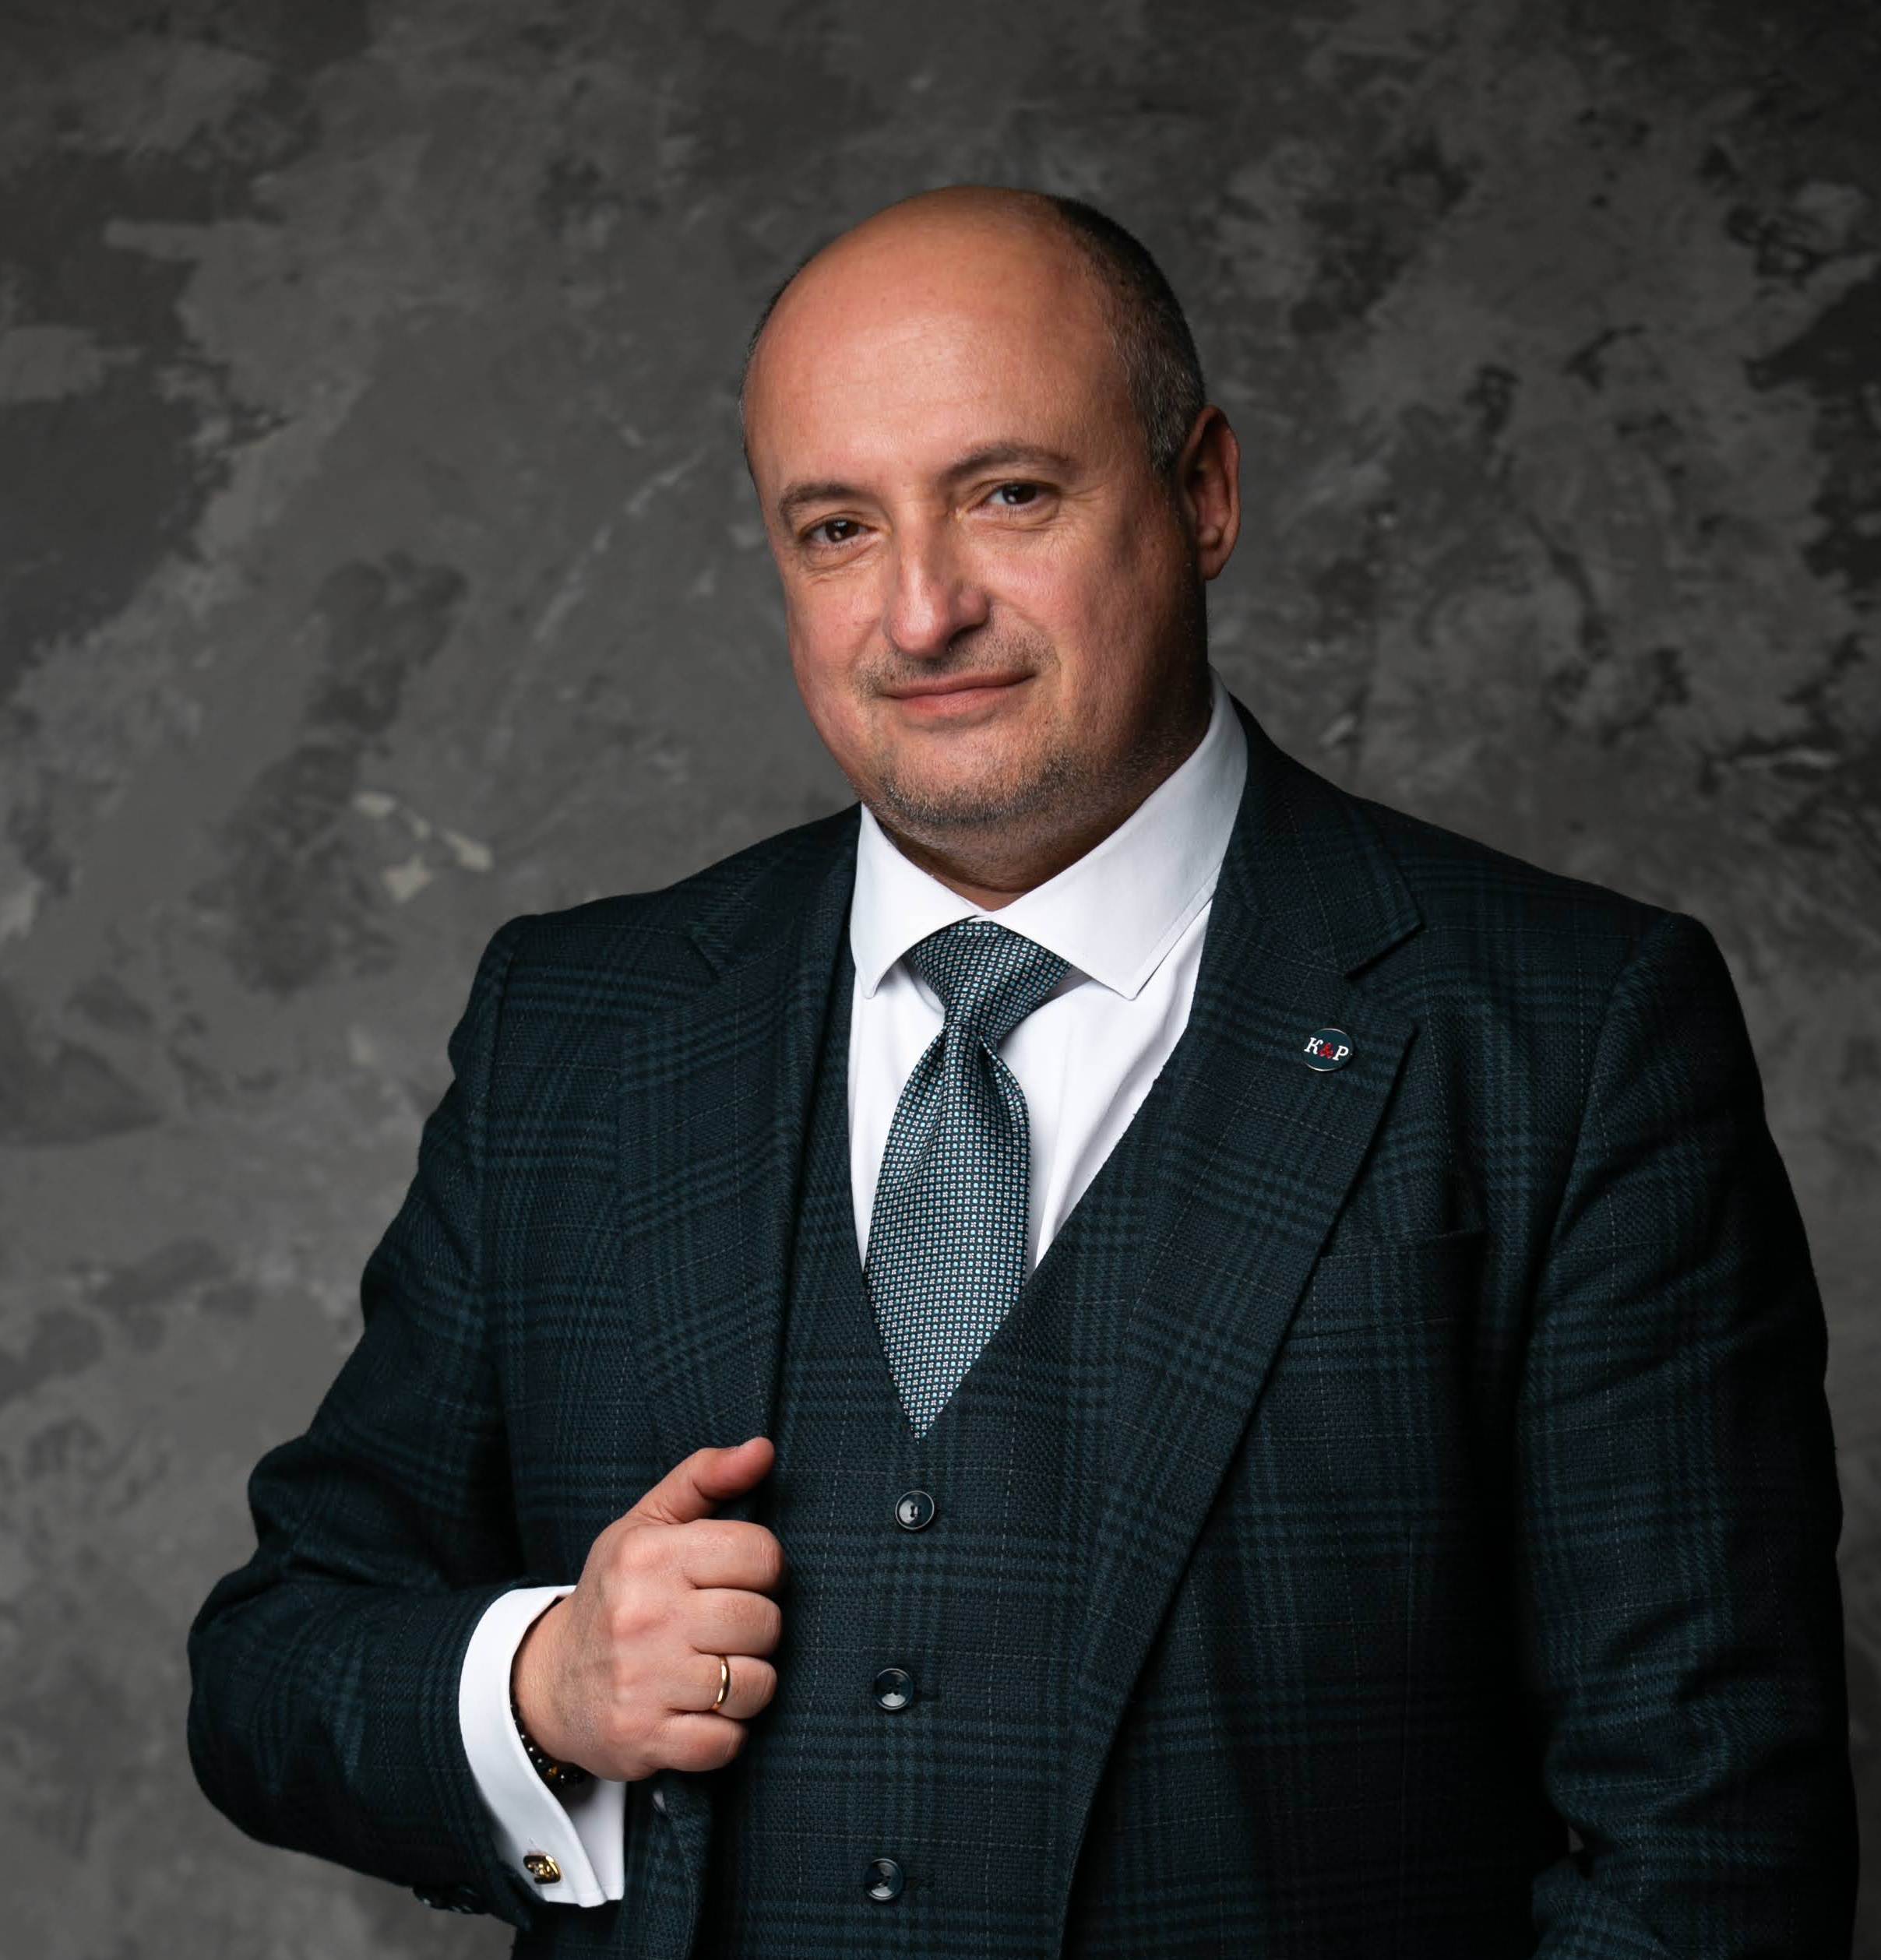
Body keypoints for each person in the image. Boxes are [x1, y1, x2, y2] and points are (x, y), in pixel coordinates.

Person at [185, 183, 1857, 1957]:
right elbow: (274, 1662)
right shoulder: (579, 1028)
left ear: (1202, 493)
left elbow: (1705, 1848)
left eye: (1008, 495)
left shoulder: (1564, 1031)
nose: (920, 612)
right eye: (837, 527)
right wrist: (543, 1679)